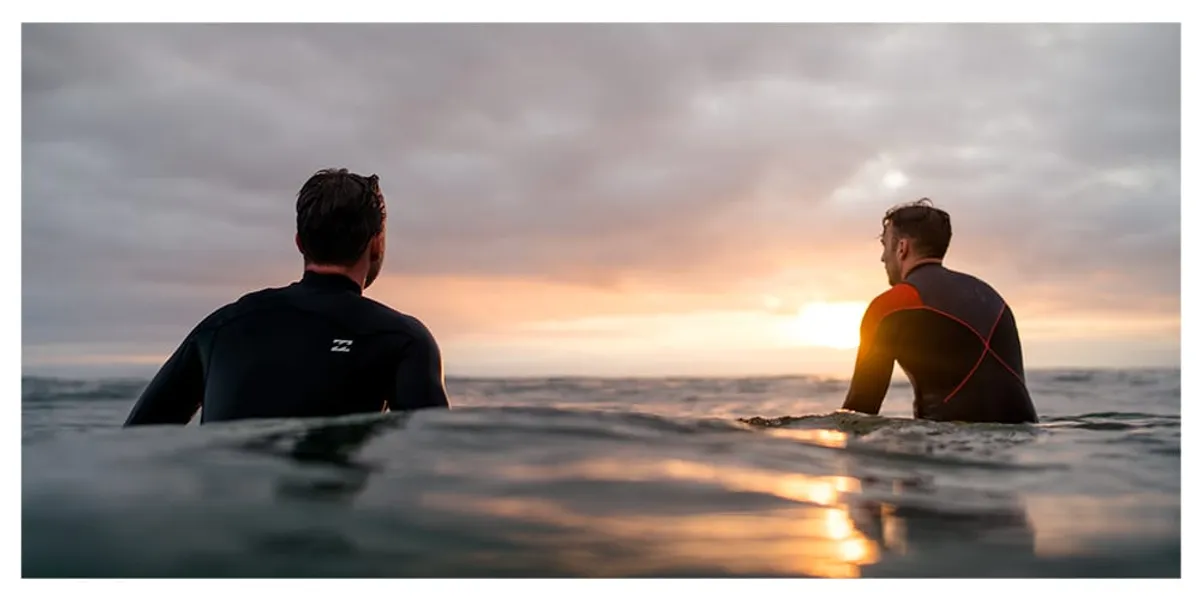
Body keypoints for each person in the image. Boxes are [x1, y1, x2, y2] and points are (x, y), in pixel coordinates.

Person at [124, 168, 450, 426]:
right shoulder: (402, 339)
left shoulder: (219, 328)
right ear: (376, 244)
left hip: (222, 492)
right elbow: (429, 459)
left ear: (299, 242)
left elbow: (138, 437)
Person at [841, 199, 1038, 424]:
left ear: (902, 248)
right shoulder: (992, 297)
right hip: (1027, 439)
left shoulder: (891, 306)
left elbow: (859, 413)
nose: (882, 257)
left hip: (947, 440)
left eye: (885, 245)